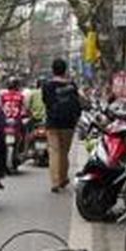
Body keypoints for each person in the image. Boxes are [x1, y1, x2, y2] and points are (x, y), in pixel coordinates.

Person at [41, 59, 82, 193]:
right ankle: (63, 178)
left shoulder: (47, 85)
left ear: (53, 70)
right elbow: (77, 104)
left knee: (54, 151)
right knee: (64, 152)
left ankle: (55, 181)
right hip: (68, 123)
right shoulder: (72, 85)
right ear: (65, 70)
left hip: (52, 122)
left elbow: (46, 101)